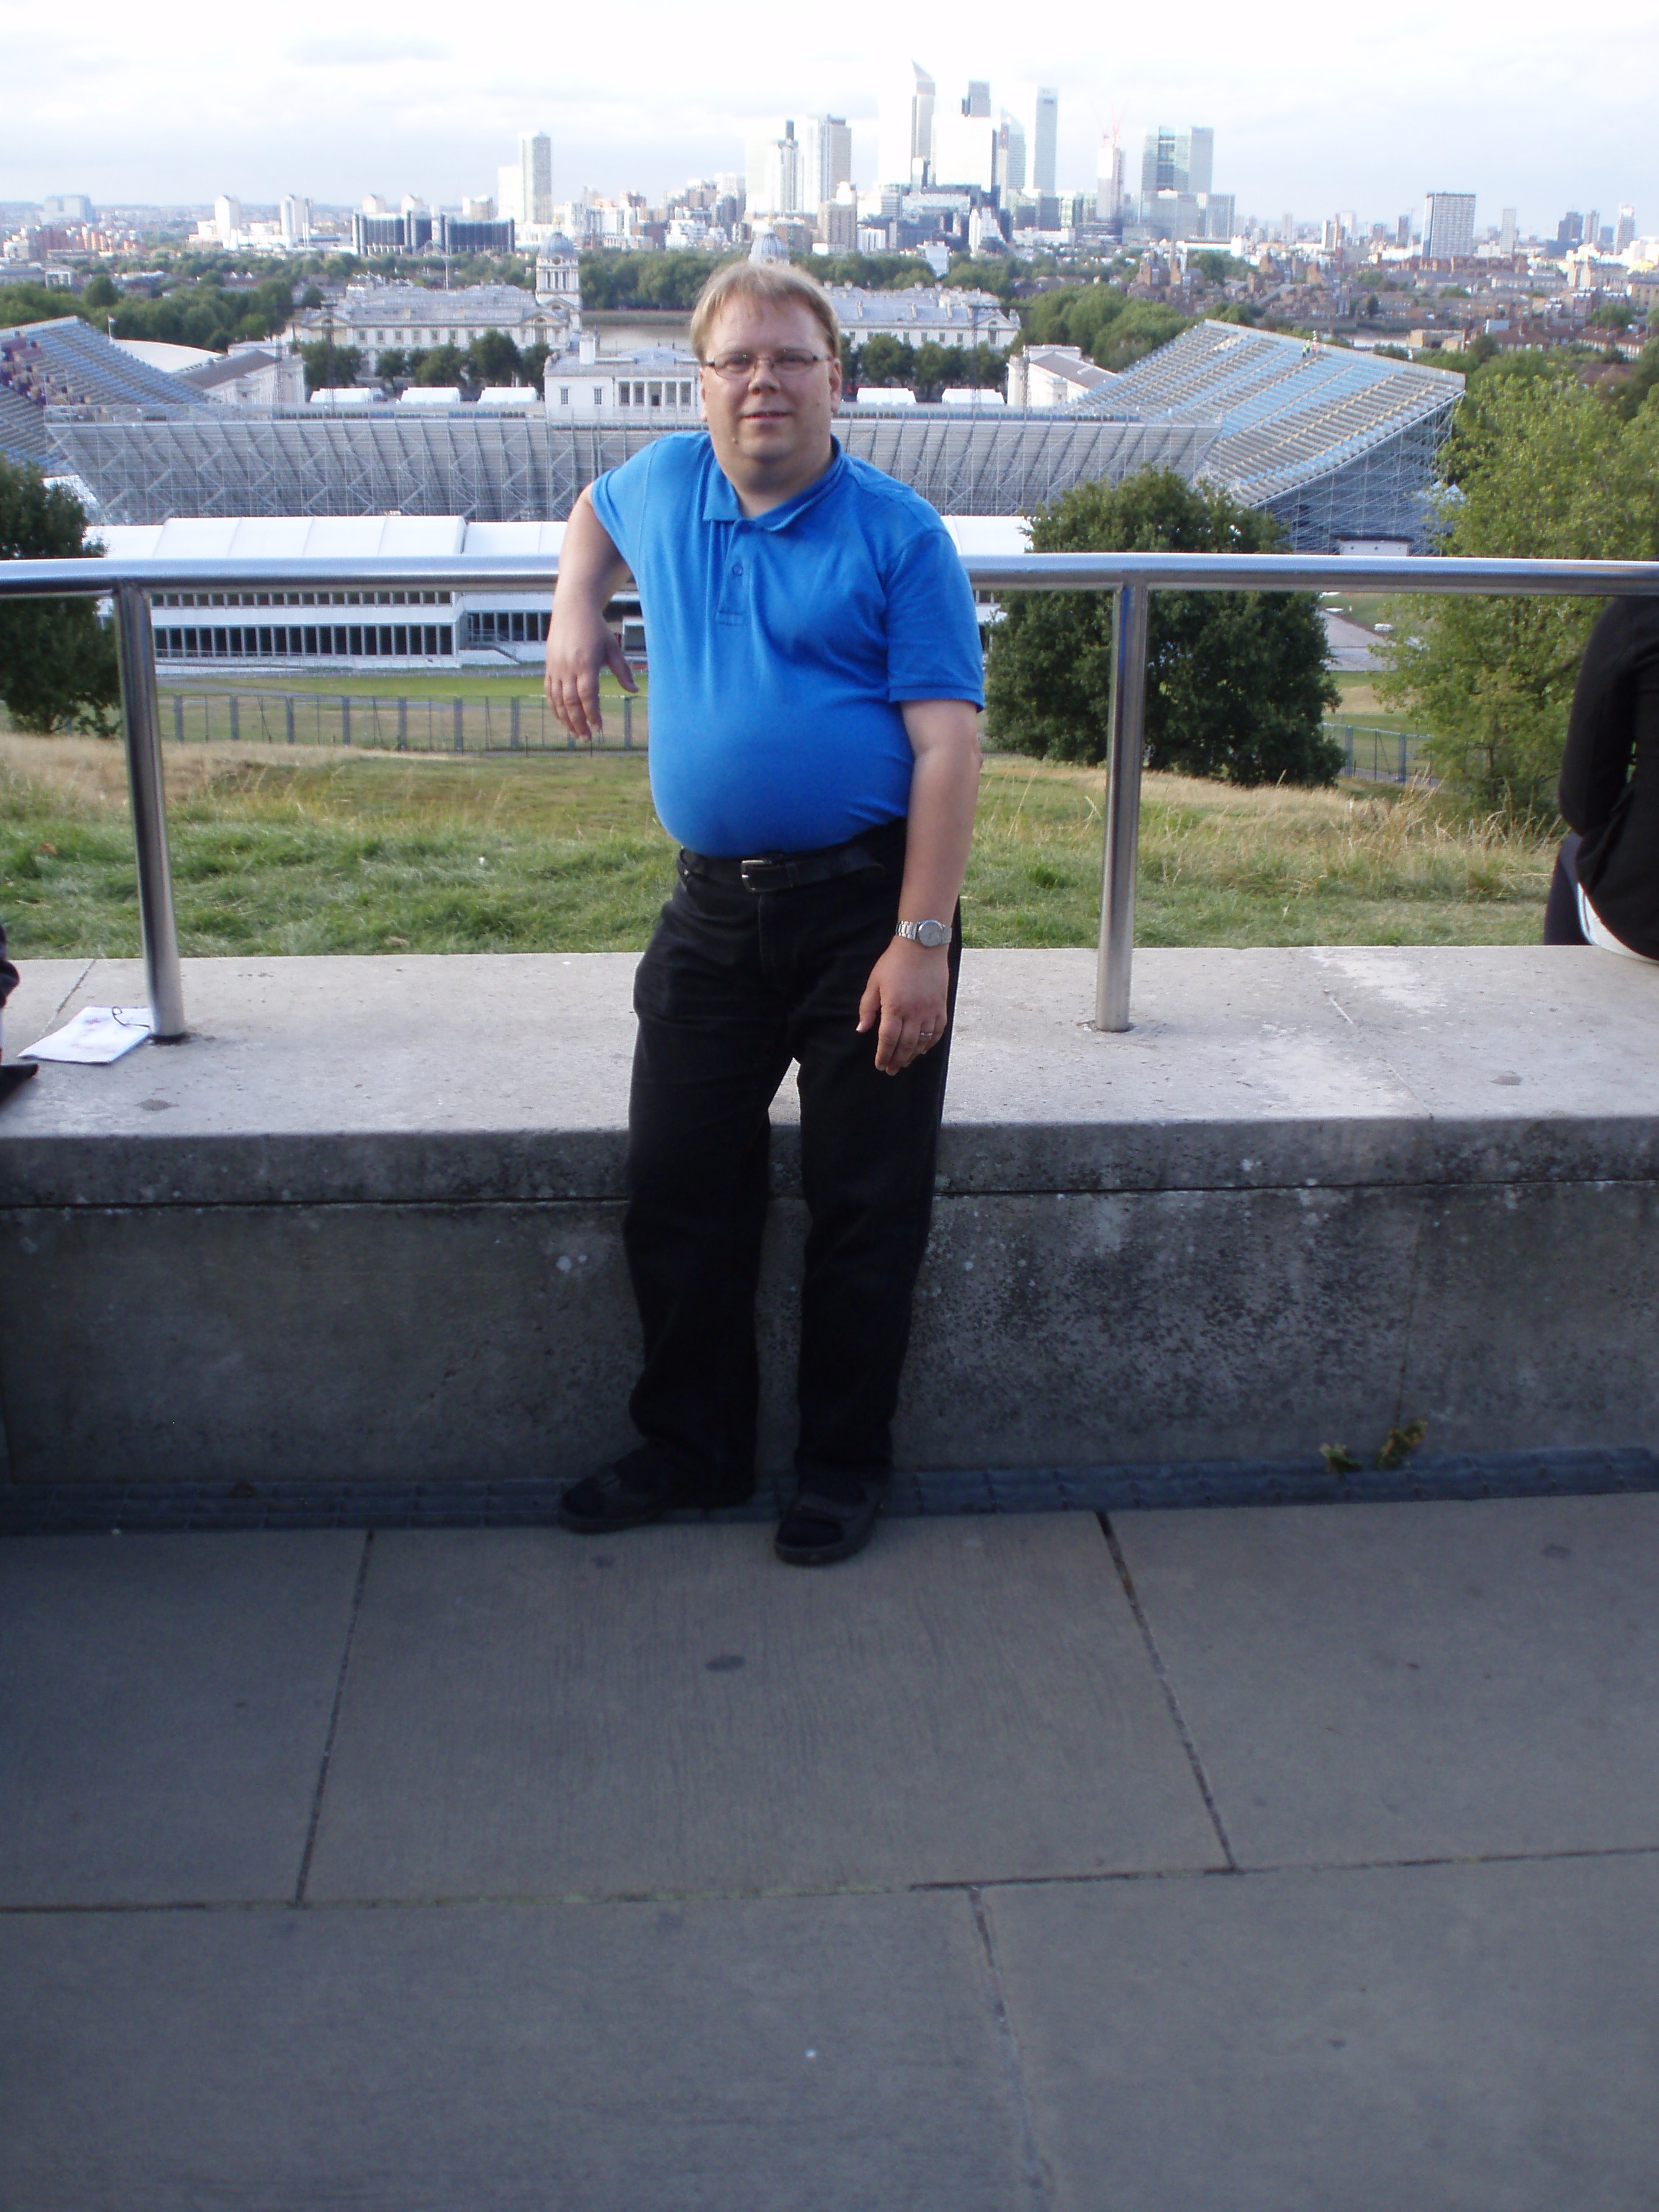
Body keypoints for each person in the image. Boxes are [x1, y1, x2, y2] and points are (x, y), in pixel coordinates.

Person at [543, 258, 984, 1566]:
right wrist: (575, 607)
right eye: (736, 360)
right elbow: (590, 509)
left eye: (790, 358)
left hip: (866, 912)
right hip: (711, 918)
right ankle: (693, 1449)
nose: (762, 383)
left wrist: (920, 942)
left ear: (834, 378)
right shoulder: (668, 482)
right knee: (677, 1187)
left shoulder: (898, 533)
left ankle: (842, 1464)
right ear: (701, 384)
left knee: (865, 1205)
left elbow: (948, 750)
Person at [1544, 597, 1659, 963]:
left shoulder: (1642, 606)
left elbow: (1583, 806)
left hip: (1646, 917)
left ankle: (1566, 993)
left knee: (1574, 849)